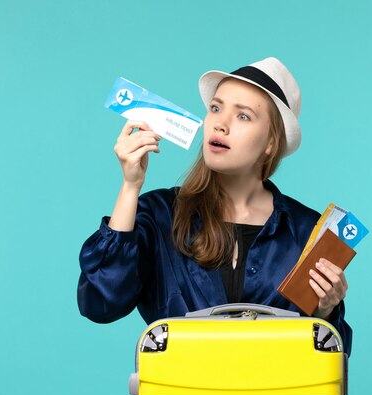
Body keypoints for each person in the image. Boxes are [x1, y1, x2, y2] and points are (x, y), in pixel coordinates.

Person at [77, 57, 352, 356]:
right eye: (216, 108)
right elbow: (99, 303)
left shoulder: (306, 231)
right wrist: (130, 186)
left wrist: (326, 311)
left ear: (271, 142)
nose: (220, 124)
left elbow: (329, 361)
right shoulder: (159, 215)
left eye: (243, 116)